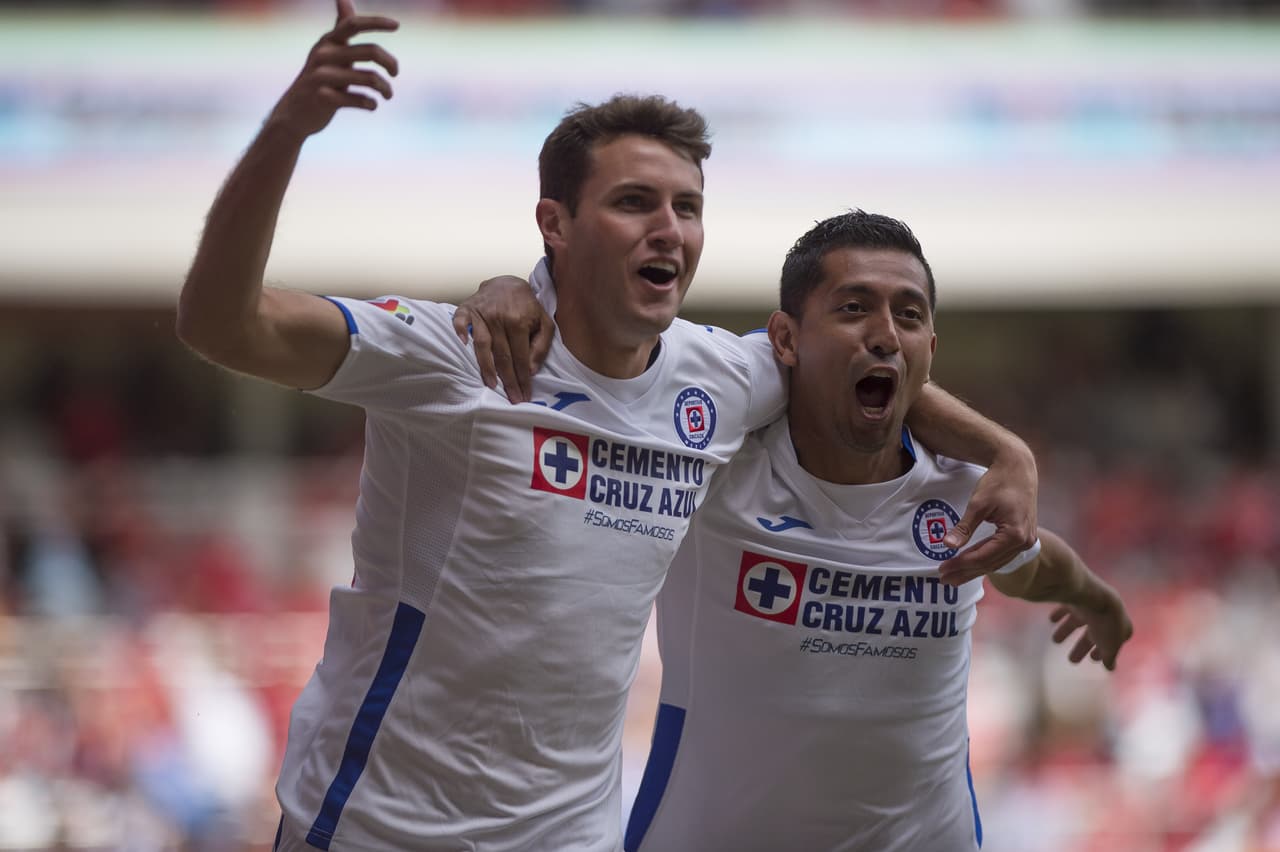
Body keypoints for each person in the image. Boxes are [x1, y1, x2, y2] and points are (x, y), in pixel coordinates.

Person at [176, 3, 1039, 848]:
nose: (670, 229)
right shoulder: (455, 352)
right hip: (377, 823)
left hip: (573, 833)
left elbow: (854, 362)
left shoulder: (724, 377)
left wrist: (1003, 449)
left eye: (688, 207)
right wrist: (287, 130)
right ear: (555, 223)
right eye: (635, 202)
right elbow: (221, 325)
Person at [621, 210, 1134, 852]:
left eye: (910, 316)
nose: (886, 335)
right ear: (784, 339)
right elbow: (605, 355)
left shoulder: (963, 490)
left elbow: (1033, 561)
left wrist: (1095, 597)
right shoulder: (716, 469)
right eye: (854, 308)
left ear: (930, 353)